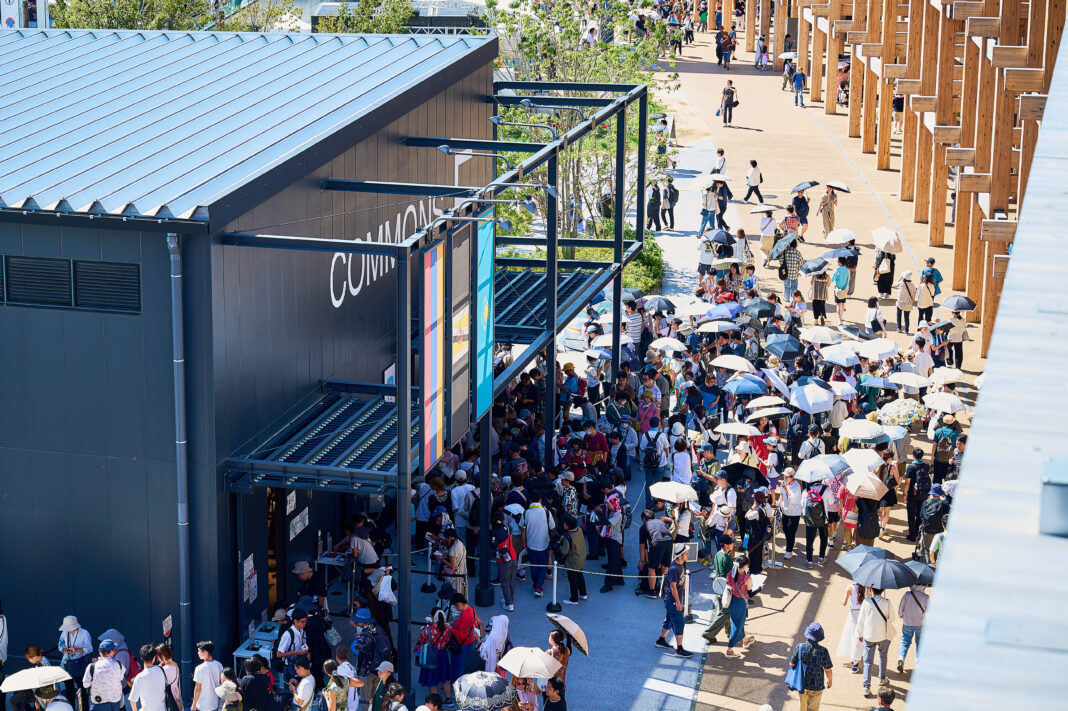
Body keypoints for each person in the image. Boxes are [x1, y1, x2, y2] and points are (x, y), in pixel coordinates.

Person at [654, 544, 693, 658]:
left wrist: (685, 580)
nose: (688, 555)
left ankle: (660, 640)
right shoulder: (674, 568)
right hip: (673, 600)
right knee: (679, 622)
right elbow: (672, 587)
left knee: (670, 620)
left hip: (672, 600)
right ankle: (679, 649)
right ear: (680, 556)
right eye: (686, 554)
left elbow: (679, 584)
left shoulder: (680, 565)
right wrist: (678, 603)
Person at [857, 588, 896, 697]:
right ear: (883, 590)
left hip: (869, 635)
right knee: (883, 656)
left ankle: (866, 687)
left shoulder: (866, 602)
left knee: (868, 661)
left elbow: (861, 620)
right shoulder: (887, 602)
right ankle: (882, 678)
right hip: (884, 635)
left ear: (871, 590)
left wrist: (860, 634)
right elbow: (892, 618)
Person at [788, 622, 833, 711]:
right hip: (817, 685)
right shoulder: (823, 651)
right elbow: (828, 669)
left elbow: (792, 664)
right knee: (813, 708)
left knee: (803, 707)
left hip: (802, 683)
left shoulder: (800, 647)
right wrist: (830, 681)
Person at [724, 554, 755, 658]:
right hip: (741, 603)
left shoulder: (730, 574)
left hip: (732, 601)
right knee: (737, 626)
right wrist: (760, 588)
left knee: (737, 623)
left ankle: (745, 640)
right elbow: (751, 594)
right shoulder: (747, 578)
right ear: (745, 565)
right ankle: (729, 650)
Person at [522, 496, 555, 597]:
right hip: (544, 543)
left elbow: (523, 530)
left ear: (531, 500)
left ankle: (536, 584)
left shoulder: (526, 512)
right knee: (543, 566)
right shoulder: (546, 512)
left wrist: (524, 543)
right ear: (540, 500)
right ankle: (538, 586)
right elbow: (552, 527)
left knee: (534, 565)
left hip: (531, 544)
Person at [59, 615, 93, 708]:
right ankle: (71, 708)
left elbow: (89, 649)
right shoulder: (65, 633)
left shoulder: (84, 633)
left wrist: (77, 649)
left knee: (82, 689)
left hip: (80, 663)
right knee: (69, 688)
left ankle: (84, 708)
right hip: (67, 662)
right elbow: (60, 644)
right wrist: (64, 649)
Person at [415, 610, 451, 699]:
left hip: (431, 656)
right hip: (442, 655)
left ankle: (435, 703)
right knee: (445, 679)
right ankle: (448, 699)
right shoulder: (446, 629)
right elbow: (447, 641)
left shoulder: (426, 630)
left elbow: (421, 642)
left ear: (432, 617)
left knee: (432, 681)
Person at [84, 639, 126, 711]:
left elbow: (85, 685)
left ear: (100, 652)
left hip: (98, 702)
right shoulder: (118, 665)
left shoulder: (91, 666)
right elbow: (121, 678)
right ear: (112, 651)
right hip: (114, 702)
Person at [448, 594, 481, 685]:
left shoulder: (465, 616)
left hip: (463, 646)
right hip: (470, 643)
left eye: (455, 605)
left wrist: (450, 628)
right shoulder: (471, 609)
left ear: (459, 604)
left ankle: (458, 688)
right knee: (466, 668)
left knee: (459, 669)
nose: (455, 607)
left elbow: (461, 636)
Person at [897, 584, 929, 673]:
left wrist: (900, 615)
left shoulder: (907, 594)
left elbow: (901, 607)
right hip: (920, 623)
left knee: (905, 641)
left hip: (907, 622)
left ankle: (901, 658)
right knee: (919, 643)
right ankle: (919, 664)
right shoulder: (926, 597)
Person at [902, 447, 932, 542]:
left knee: (911, 514)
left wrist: (904, 494)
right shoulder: (926, 466)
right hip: (923, 493)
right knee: (920, 513)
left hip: (912, 494)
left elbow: (907, 483)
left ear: (913, 456)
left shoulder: (911, 467)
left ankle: (912, 535)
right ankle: (919, 533)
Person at [129, 645, 167, 711]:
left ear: (141, 657)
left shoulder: (139, 677)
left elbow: (132, 700)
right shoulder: (161, 670)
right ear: (154, 658)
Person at [560, 515, 588, 604]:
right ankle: (583, 594)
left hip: (572, 562)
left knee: (573, 580)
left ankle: (574, 599)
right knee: (580, 576)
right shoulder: (579, 530)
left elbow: (564, 551)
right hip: (581, 559)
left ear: (567, 526)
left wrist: (561, 543)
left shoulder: (568, 537)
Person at [276, 609, 309, 679]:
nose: (305, 623)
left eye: (305, 621)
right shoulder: (287, 635)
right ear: (295, 621)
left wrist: (307, 653)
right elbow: (279, 654)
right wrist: (296, 652)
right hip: (289, 666)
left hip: (299, 664)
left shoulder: (302, 631)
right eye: (302, 622)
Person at [779, 468, 803, 560]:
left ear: (792, 477)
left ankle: (789, 550)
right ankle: (790, 543)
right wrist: (779, 500)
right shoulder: (784, 483)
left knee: (791, 531)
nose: (784, 478)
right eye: (784, 476)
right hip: (785, 510)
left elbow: (792, 499)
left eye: (787, 476)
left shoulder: (796, 486)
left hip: (794, 512)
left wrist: (785, 489)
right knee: (785, 529)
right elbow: (781, 493)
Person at [438, 528, 468, 600]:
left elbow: (452, 565)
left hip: (455, 575)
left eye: (446, 538)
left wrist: (441, 558)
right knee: (461, 593)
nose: (445, 540)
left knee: (454, 594)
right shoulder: (460, 543)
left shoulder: (453, 549)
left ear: (450, 537)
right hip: (463, 571)